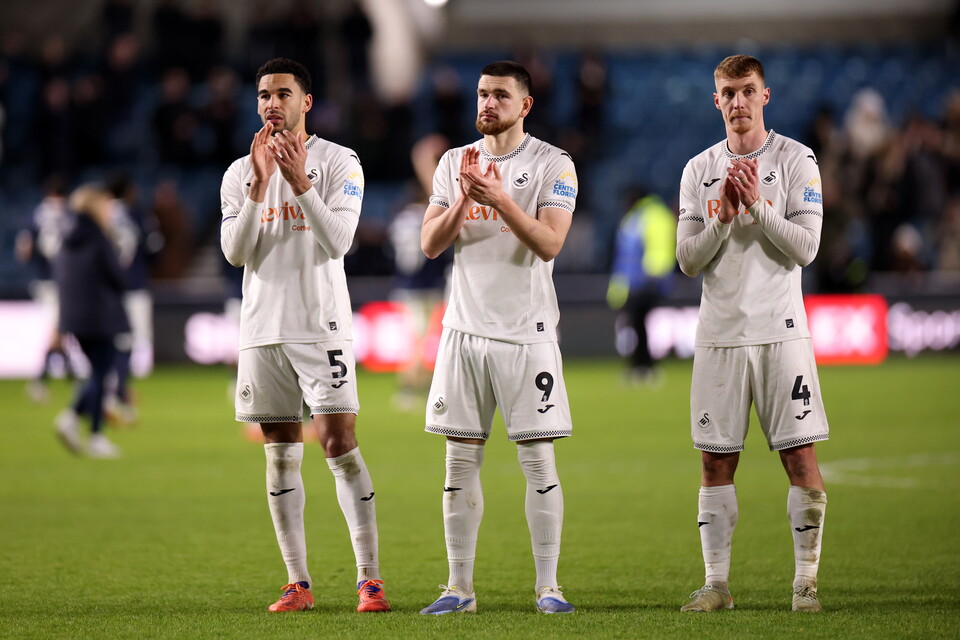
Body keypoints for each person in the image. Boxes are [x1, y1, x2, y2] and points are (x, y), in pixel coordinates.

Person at [219, 57, 389, 614]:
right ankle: (298, 582)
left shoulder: (340, 162)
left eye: (283, 94)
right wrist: (261, 182)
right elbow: (236, 253)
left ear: (306, 102)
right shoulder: (238, 172)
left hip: (322, 328)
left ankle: (369, 580)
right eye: (264, 94)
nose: (272, 103)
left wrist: (299, 182)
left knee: (339, 445)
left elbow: (338, 240)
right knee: (280, 455)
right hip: (263, 329)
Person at [419, 60, 578, 615]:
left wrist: (500, 197)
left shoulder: (553, 165)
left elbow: (550, 244)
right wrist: (465, 197)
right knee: (458, 464)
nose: (487, 103)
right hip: (463, 332)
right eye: (482, 94)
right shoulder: (451, 163)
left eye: (500, 96)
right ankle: (458, 589)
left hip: (526, 334)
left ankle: (549, 588)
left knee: (538, 463)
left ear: (525, 106)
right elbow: (431, 243)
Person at [676, 55, 829, 613]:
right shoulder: (698, 170)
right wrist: (722, 216)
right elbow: (688, 260)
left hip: (781, 334)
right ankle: (716, 585)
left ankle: (805, 584)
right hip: (719, 335)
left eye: (747, 91)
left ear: (766, 96)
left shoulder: (797, 159)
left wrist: (757, 208)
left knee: (800, 457)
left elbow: (807, 248)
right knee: (716, 461)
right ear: (715, 101)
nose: (737, 102)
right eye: (727, 93)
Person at [52, 185, 128, 459]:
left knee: (97, 372)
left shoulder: (67, 237)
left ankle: (84, 429)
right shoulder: (98, 238)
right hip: (100, 316)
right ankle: (80, 423)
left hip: (75, 318)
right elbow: (118, 279)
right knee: (102, 373)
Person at [15, 175, 75, 401]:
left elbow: (23, 250)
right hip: (63, 280)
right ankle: (41, 380)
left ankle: (69, 376)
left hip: (44, 280)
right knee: (58, 329)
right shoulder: (68, 216)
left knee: (60, 329)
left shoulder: (36, 215)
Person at [606, 187, 676, 383]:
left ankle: (645, 366)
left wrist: (653, 276)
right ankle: (640, 365)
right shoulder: (640, 216)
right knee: (637, 323)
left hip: (646, 281)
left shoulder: (648, 215)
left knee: (639, 323)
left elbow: (658, 248)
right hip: (637, 281)